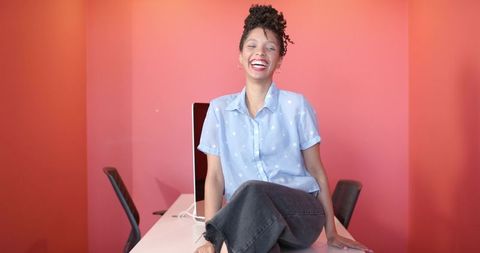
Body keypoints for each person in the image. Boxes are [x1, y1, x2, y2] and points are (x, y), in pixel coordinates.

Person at [195, 4, 372, 253]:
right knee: (261, 236)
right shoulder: (218, 110)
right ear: (240, 56)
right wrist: (208, 241)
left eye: (270, 48)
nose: (261, 53)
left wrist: (332, 232)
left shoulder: (297, 105)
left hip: (300, 215)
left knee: (252, 188)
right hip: (255, 220)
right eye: (252, 45)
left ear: (279, 61)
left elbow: (316, 170)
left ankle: (223, 238)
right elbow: (214, 178)